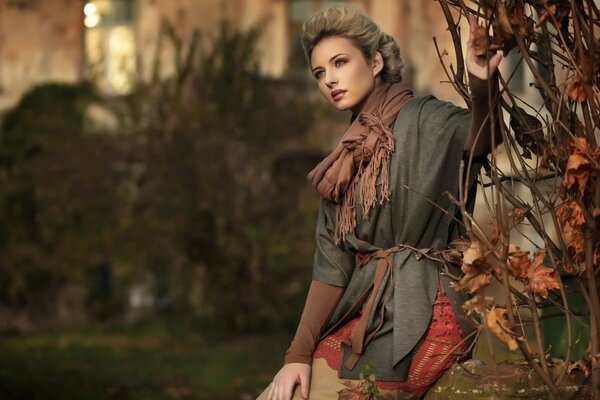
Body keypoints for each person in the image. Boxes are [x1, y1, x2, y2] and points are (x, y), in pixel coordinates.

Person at [258, 4, 502, 400]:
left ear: (374, 62)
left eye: (340, 62)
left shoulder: (424, 116)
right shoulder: (340, 163)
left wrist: (481, 83)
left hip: (424, 307)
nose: (329, 80)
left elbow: (482, 139)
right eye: (320, 72)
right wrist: (295, 356)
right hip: (366, 311)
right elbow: (331, 268)